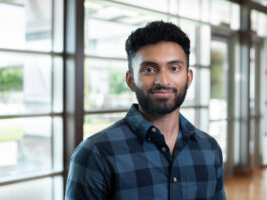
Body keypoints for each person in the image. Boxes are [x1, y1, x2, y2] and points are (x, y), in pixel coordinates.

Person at [65, 21, 226, 200]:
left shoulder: (209, 149)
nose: (163, 80)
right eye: (149, 69)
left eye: (174, 68)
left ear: (188, 78)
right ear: (130, 80)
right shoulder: (96, 154)